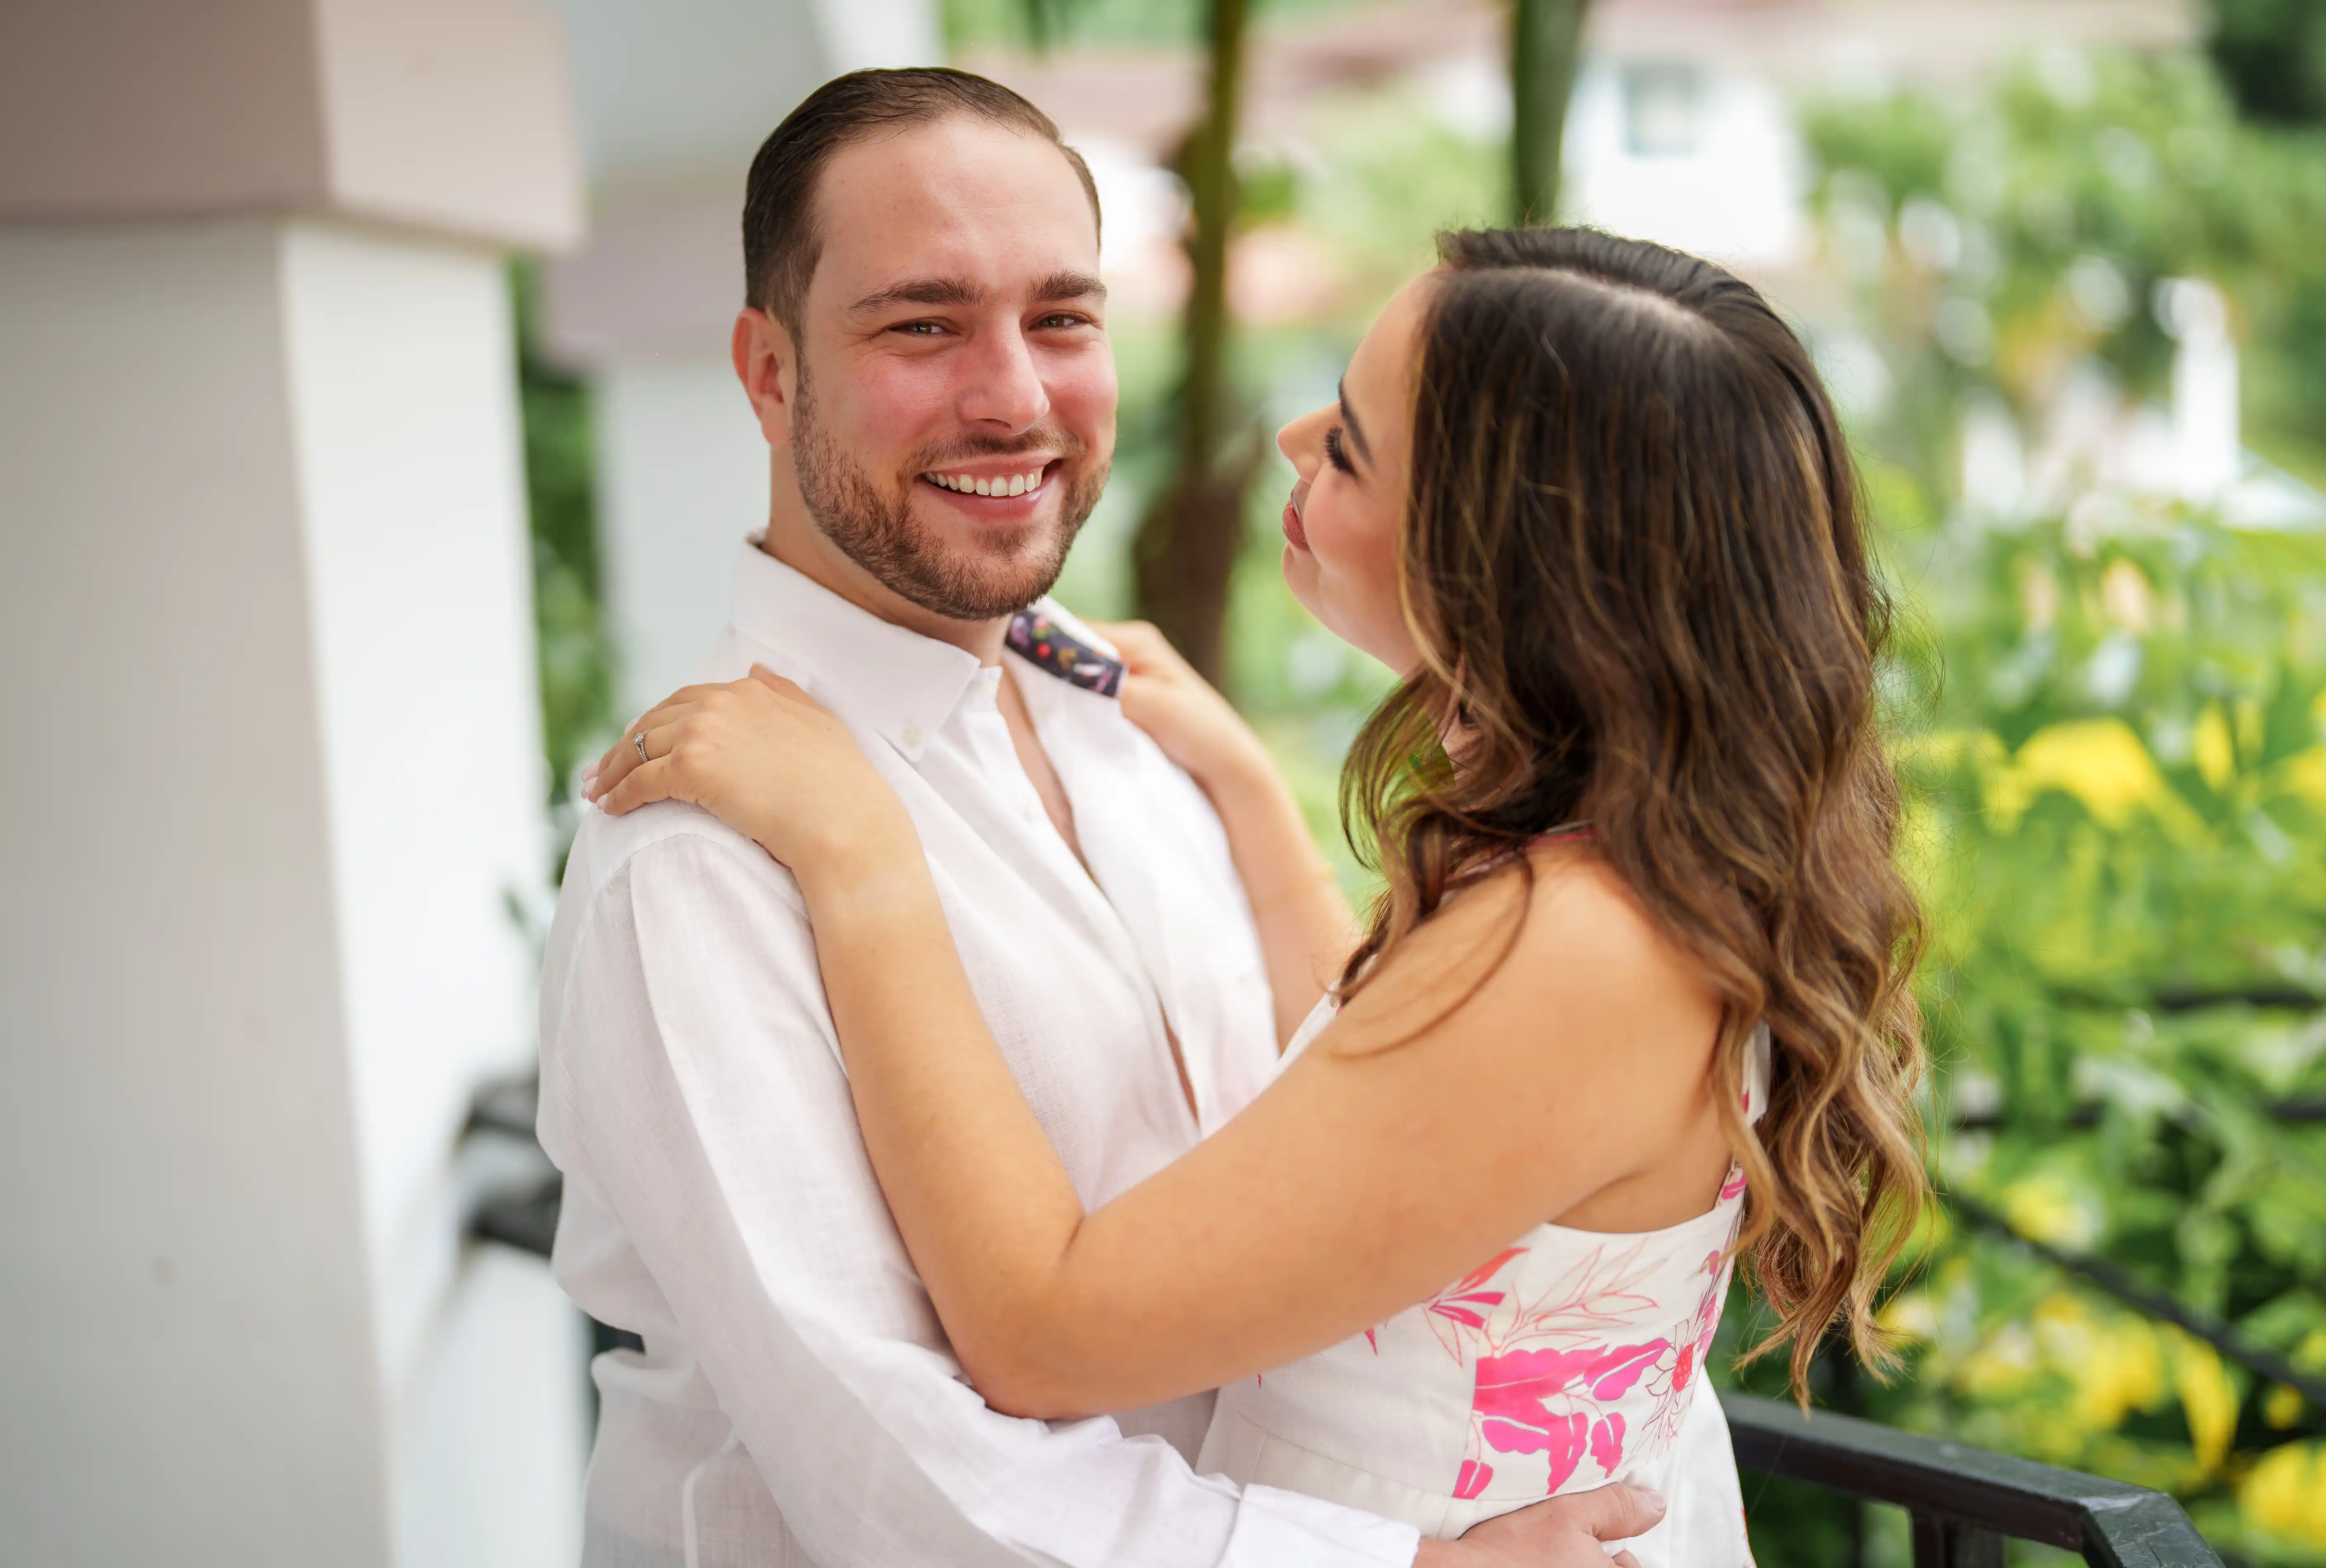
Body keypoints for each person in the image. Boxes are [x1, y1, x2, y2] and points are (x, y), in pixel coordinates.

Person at [586, 227, 1933, 1565]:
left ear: (1498, 556)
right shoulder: (1632, 880)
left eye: (1347, 443)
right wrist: (1242, 786)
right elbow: (1388, 1113)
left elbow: (1043, 1331)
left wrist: (862, 859)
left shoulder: (1579, 945)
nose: (1292, 438)